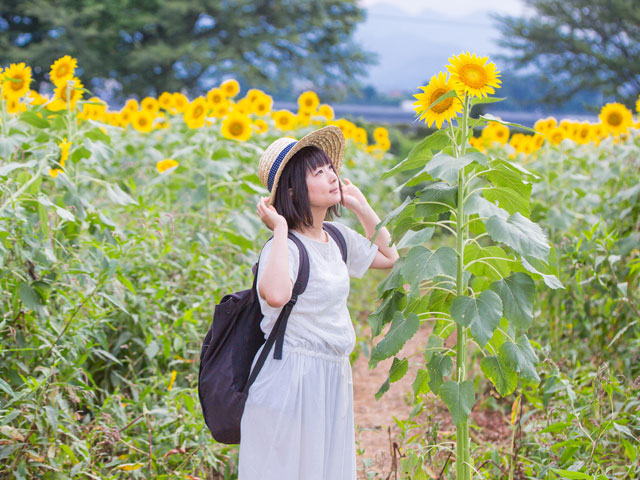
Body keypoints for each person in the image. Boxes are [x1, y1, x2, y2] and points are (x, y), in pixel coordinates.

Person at [238, 125, 399, 480]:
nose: (331, 177)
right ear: (293, 190)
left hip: (331, 375)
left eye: (330, 169)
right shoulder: (284, 247)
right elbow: (277, 295)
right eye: (318, 172)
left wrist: (361, 205)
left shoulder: (337, 237)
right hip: (289, 378)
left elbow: (390, 256)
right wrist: (279, 229)